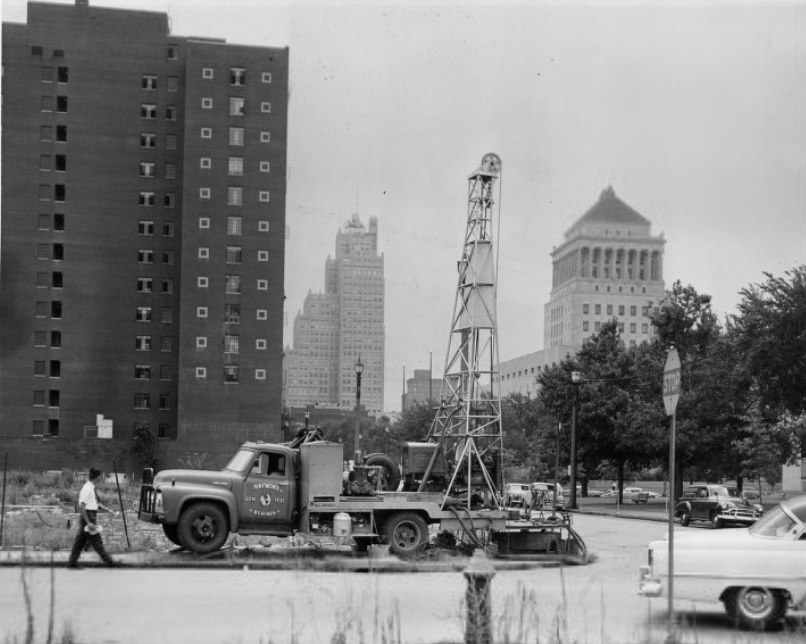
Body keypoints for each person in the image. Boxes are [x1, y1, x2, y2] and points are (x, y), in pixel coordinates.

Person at [68, 468, 119, 568]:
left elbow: (96, 504)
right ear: (97, 477)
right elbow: (82, 506)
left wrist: (110, 511)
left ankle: (72, 562)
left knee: (80, 542)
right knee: (97, 542)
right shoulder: (87, 489)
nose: (101, 479)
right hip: (88, 517)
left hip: (89, 516)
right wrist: (88, 522)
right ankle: (110, 562)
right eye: (100, 476)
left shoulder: (91, 488)